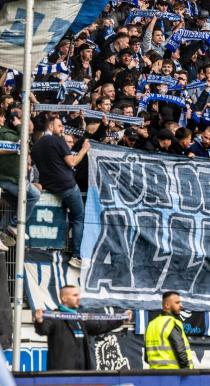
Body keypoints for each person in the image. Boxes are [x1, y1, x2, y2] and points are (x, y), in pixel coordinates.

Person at [31, 117, 90, 268]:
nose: (62, 128)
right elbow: (72, 162)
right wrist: (84, 149)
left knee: (64, 216)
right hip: (67, 185)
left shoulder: (36, 146)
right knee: (78, 217)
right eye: (60, 125)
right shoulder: (58, 141)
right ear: (51, 126)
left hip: (49, 187)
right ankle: (76, 256)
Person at [33, 285, 132, 370]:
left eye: (78, 295)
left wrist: (121, 318)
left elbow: (100, 326)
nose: (79, 298)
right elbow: (43, 329)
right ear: (64, 298)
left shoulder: (80, 318)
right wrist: (39, 321)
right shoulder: (54, 316)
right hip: (62, 375)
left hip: (82, 374)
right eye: (75, 295)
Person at [0, 110, 40, 251]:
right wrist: (19, 126)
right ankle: (15, 224)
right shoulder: (6, 133)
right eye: (23, 118)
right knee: (34, 195)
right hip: (9, 178)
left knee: (15, 204)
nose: (27, 122)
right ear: (14, 120)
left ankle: (3, 231)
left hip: (12, 178)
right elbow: (22, 141)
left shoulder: (13, 133)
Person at [145, 291, 194, 369]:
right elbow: (180, 352)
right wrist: (186, 371)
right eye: (177, 303)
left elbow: (146, 358)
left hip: (154, 374)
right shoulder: (172, 323)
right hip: (175, 375)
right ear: (167, 305)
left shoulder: (151, 325)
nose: (181, 305)